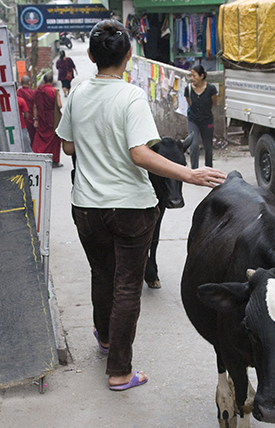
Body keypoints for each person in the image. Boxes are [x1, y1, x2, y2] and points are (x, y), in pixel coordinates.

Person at [56, 19, 226, 391]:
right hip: (130, 209)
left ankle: (104, 339)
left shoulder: (77, 94)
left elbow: (67, 147)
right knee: (127, 287)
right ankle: (119, 370)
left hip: (86, 207)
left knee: (102, 276)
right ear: (129, 56)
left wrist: (93, 140)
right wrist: (188, 174)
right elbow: (139, 153)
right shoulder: (131, 96)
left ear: (90, 56)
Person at [183, 64, 218, 169]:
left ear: (202, 76)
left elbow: (213, 103)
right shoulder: (188, 89)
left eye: (194, 76)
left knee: (208, 146)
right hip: (193, 120)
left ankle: (209, 169)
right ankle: (194, 170)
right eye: (191, 76)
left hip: (207, 120)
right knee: (193, 145)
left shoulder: (211, 89)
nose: (192, 78)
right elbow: (190, 103)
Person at [32, 72, 62, 167]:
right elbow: (60, 105)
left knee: (41, 137)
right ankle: (54, 160)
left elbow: (35, 106)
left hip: (42, 117)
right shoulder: (54, 91)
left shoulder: (38, 91)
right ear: (52, 81)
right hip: (52, 118)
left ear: (44, 81)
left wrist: (35, 119)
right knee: (54, 139)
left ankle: (39, 156)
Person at [17, 75, 36, 142]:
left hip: (22, 118)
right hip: (32, 116)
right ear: (29, 83)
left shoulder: (18, 92)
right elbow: (35, 105)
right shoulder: (33, 93)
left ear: (21, 83)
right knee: (32, 136)